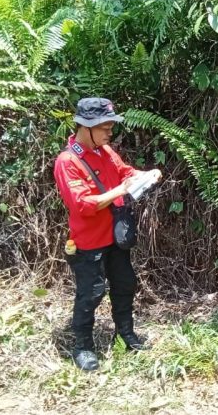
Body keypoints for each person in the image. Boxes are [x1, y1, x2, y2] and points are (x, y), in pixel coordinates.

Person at [54, 97, 160, 371]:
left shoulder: (106, 151)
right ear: (86, 127)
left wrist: (146, 175)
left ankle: (126, 334)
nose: (110, 132)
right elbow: (82, 204)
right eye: (105, 127)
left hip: (115, 237)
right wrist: (120, 190)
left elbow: (125, 172)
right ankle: (83, 346)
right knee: (90, 293)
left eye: (111, 126)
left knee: (125, 285)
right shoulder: (68, 161)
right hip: (89, 242)